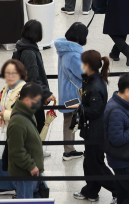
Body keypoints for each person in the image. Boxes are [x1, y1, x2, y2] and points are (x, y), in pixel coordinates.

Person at [74, 50, 116, 202]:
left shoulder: (95, 86)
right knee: (90, 162)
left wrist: (79, 108)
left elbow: (95, 111)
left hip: (95, 131)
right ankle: (91, 191)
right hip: (91, 129)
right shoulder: (91, 80)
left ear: (88, 65)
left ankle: (118, 190)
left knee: (96, 165)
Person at [105, 73, 129, 204]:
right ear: (127, 91)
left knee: (123, 194)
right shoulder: (116, 111)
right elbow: (117, 139)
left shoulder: (119, 103)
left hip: (122, 161)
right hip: (123, 163)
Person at [13, 20, 55, 133]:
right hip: (32, 97)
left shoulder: (21, 46)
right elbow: (33, 79)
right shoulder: (29, 52)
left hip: (25, 95)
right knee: (38, 127)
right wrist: (46, 93)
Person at [0, 59, 26, 195]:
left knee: (13, 157)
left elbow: (23, 113)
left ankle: (15, 186)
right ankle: (5, 185)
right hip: (6, 128)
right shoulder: (6, 87)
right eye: (7, 73)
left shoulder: (24, 89)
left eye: (14, 73)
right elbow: (2, 102)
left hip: (16, 129)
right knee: (3, 155)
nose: (10, 76)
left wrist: (3, 113)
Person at [52, 23, 86, 161]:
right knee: (72, 121)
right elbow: (83, 73)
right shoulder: (73, 54)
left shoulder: (64, 49)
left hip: (65, 92)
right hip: (74, 94)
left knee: (70, 120)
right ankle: (69, 150)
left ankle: (69, 149)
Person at [6, 82, 45, 199]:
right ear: (27, 100)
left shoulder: (28, 113)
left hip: (31, 172)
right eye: (36, 100)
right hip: (25, 173)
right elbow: (16, 151)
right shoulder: (18, 122)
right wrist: (31, 166)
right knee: (25, 200)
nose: (38, 103)